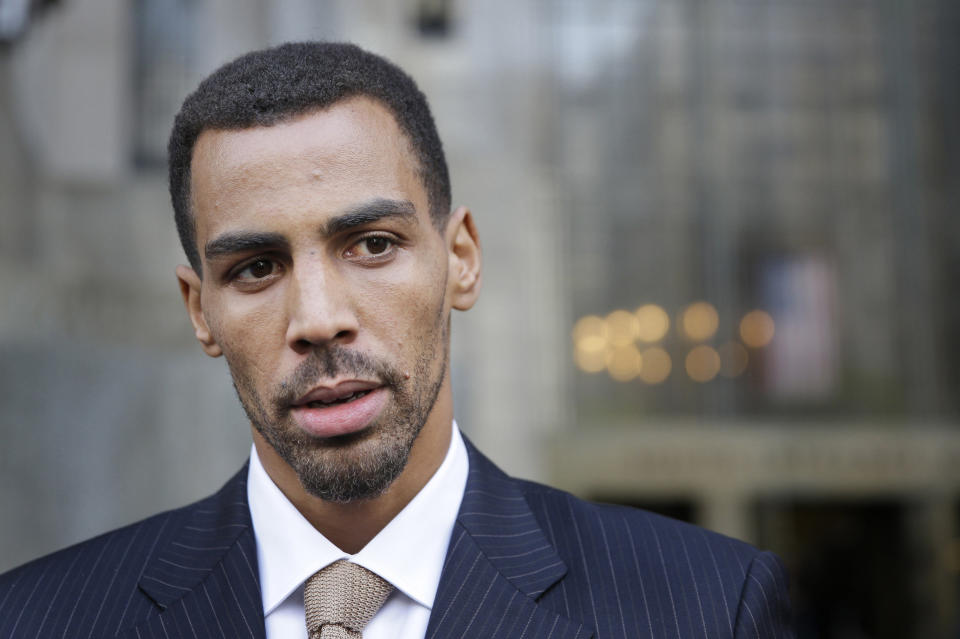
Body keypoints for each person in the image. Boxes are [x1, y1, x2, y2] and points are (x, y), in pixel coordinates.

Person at [0, 42, 793, 639]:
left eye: (371, 244)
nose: (317, 318)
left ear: (461, 259)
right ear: (199, 310)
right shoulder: (38, 619)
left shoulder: (708, 606)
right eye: (255, 267)